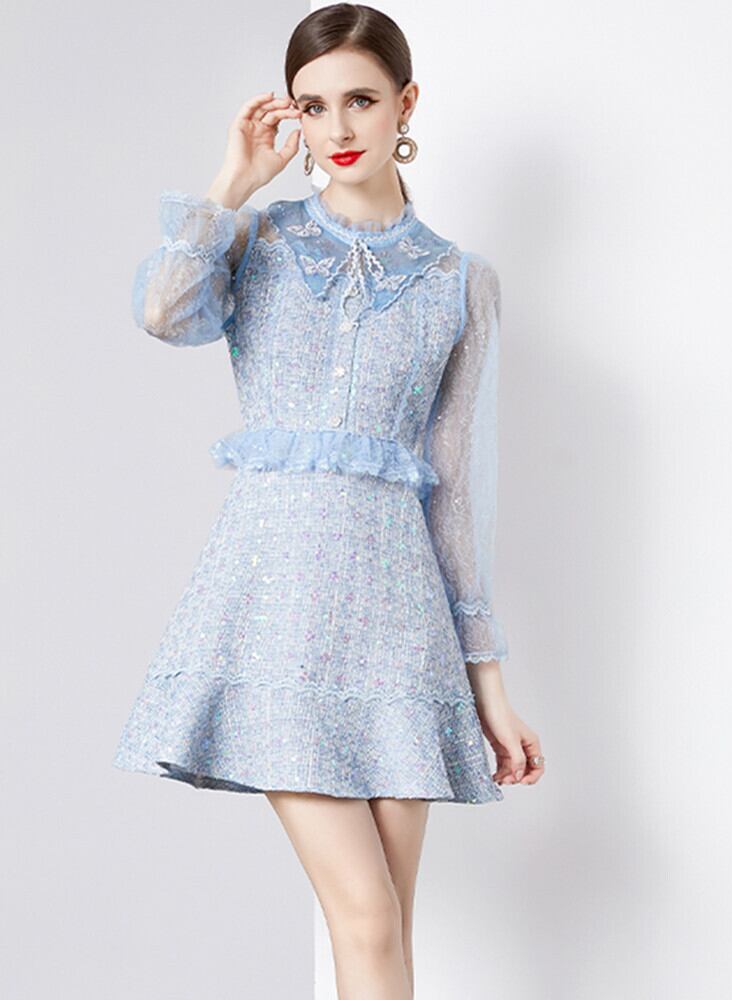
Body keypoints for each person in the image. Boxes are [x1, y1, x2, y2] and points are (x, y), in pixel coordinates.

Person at [113, 4, 545, 996]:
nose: (339, 128)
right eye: (313, 106)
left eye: (360, 100)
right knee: (367, 918)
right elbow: (163, 312)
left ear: (406, 104)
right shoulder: (256, 242)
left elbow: (454, 492)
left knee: (385, 932)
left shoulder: (461, 282)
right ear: (292, 117)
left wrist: (489, 687)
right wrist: (230, 185)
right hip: (277, 616)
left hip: (403, 633)